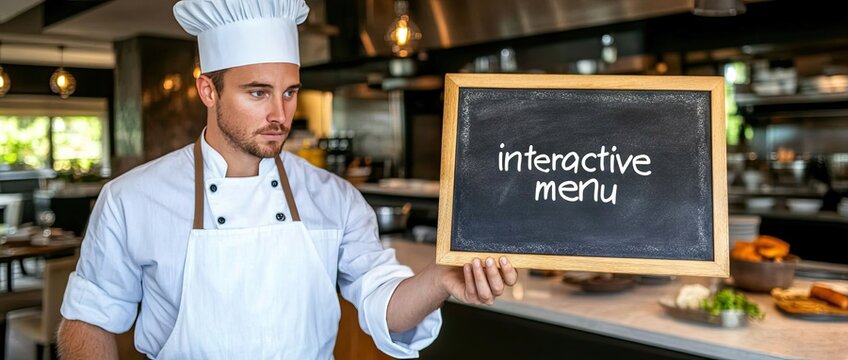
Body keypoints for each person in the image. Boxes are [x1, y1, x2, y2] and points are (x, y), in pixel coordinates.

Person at [56, 0, 517, 358]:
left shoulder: (334, 197)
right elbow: (88, 321)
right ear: (208, 90)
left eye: (290, 92)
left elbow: (386, 306)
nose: (280, 115)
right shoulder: (130, 198)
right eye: (257, 92)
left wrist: (440, 279)